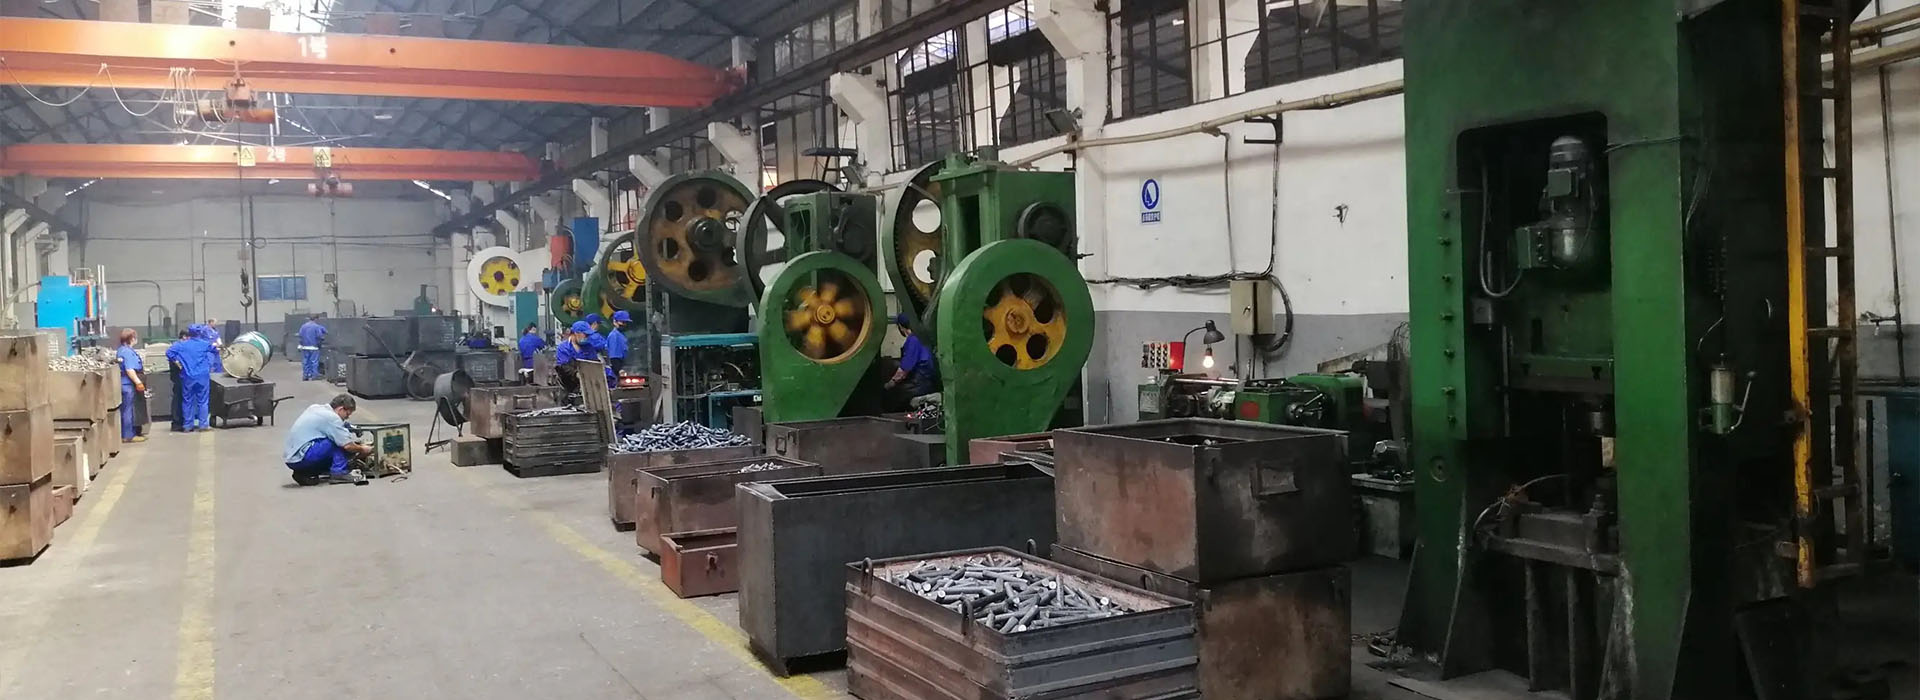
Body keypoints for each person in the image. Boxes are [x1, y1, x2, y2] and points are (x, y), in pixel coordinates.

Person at [283, 393, 372, 485]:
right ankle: (339, 473)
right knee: (339, 442)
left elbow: (329, 423)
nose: (347, 417)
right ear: (341, 409)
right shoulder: (333, 418)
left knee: (331, 444)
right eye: (347, 414)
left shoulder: (315, 408)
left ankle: (304, 473)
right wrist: (362, 449)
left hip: (293, 459)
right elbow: (347, 445)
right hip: (304, 457)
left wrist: (349, 426)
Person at [886, 314, 940, 406]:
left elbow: (905, 369)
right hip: (929, 381)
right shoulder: (923, 338)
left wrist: (890, 384)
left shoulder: (913, 340)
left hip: (921, 383)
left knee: (894, 396)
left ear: (900, 327)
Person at [167, 325, 214, 431]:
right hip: (202, 376)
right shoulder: (204, 344)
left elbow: (169, 352)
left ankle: (188, 425)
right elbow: (215, 350)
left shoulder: (181, 345)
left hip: (188, 376)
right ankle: (203, 425)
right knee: (203, 401)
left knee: (187, 401)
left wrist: (177, 361)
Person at [115, 328, 148, 443]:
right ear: (132, 339)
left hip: (124, 383)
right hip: (128, 384)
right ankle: (128, 435)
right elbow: (129, 370)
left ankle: (128, 433)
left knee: (126, 409)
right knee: (128, 410)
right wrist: (138, 382)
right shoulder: (127, 352)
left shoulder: (121, 350)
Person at [553, 320, 593, 399]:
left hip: (588, 386)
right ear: (576, 333)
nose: (587, 337)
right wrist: (577, 374)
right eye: (585, 334)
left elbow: (595, 363)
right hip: (568, 387)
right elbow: (563, 367)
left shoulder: (588, 347)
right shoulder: (563, 348)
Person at [169, 328, 191, 432]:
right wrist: (181, 366)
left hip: (181, 376)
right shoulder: (177, 346)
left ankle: (181, 421)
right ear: (184, 337)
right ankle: (177, 422)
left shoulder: (178, 346)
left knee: (181, 399)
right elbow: (173, 358)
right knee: (179, 399)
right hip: (179, 377)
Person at [296, 314, 327, 381]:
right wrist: (321, 341)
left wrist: (301, 344)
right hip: (314, 347)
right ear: (316, 319)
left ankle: (305, 376)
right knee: (314, 362)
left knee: (305, 361)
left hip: (305, 347)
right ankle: (314, 376)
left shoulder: (303, 326)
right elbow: (320, 336)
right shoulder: (316, 327)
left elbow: (300, 336)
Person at [605, 310, 632, 386]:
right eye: (622, 322)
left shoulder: (621, 335)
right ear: (615, 322)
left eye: (626, 322)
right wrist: (619, 370)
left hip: (622, 365)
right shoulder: (614, 336)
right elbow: (614, 357)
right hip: (617, 369)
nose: (624, 324)